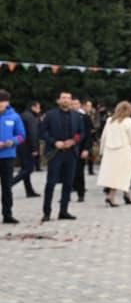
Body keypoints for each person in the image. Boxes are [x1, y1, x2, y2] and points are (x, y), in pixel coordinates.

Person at [39, 91, 85, 221]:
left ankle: (63, 211)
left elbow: (81, 133)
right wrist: (54, 142)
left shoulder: (77, 116)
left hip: (71, 153)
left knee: (68, 183)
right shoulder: (49, 115)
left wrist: (74, 141)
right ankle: (47, 212)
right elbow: (42, 132)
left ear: (71, 101)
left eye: (68, 98)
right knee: (51, 183)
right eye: (63, 98)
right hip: (55, 153)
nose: (66, 100)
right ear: (58, 100)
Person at [97, 101, 131, 206]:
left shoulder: (110, 120)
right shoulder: (130, 122)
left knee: (114, 175)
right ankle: (112, 197)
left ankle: (126, 195)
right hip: (125, 152)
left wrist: (101, 152)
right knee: (123, 175)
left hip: (110, 152)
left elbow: (103, 137)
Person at [0, 90, 27, 224]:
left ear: (7, 102)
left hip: (7, 155)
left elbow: (22, 135)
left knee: (6, 186)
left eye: (2, 101)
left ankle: (7, 213)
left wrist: (13, 141)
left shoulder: (14, 117)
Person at [14, 100, 41, 197]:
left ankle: (29, 191)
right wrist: (34, 149)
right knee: (28, 169)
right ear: (33, 107)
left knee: (25, 168)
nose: (40, 110)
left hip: (21, 146)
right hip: (28, 147)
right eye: (38, 107)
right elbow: (32, 133)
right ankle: (8, 185)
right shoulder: (30, 117)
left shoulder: (23, 115)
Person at [71, 97, 94, 202]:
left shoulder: (84, 117)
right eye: (72, 104)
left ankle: (81, 193)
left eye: (76, 103)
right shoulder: (67, 116)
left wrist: (86, 149)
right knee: (68, 172)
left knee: (79, 172)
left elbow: (88, 135)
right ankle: (67, 193)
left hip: (80, 148)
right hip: (68, 148)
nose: (74, 105)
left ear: (80, 105)